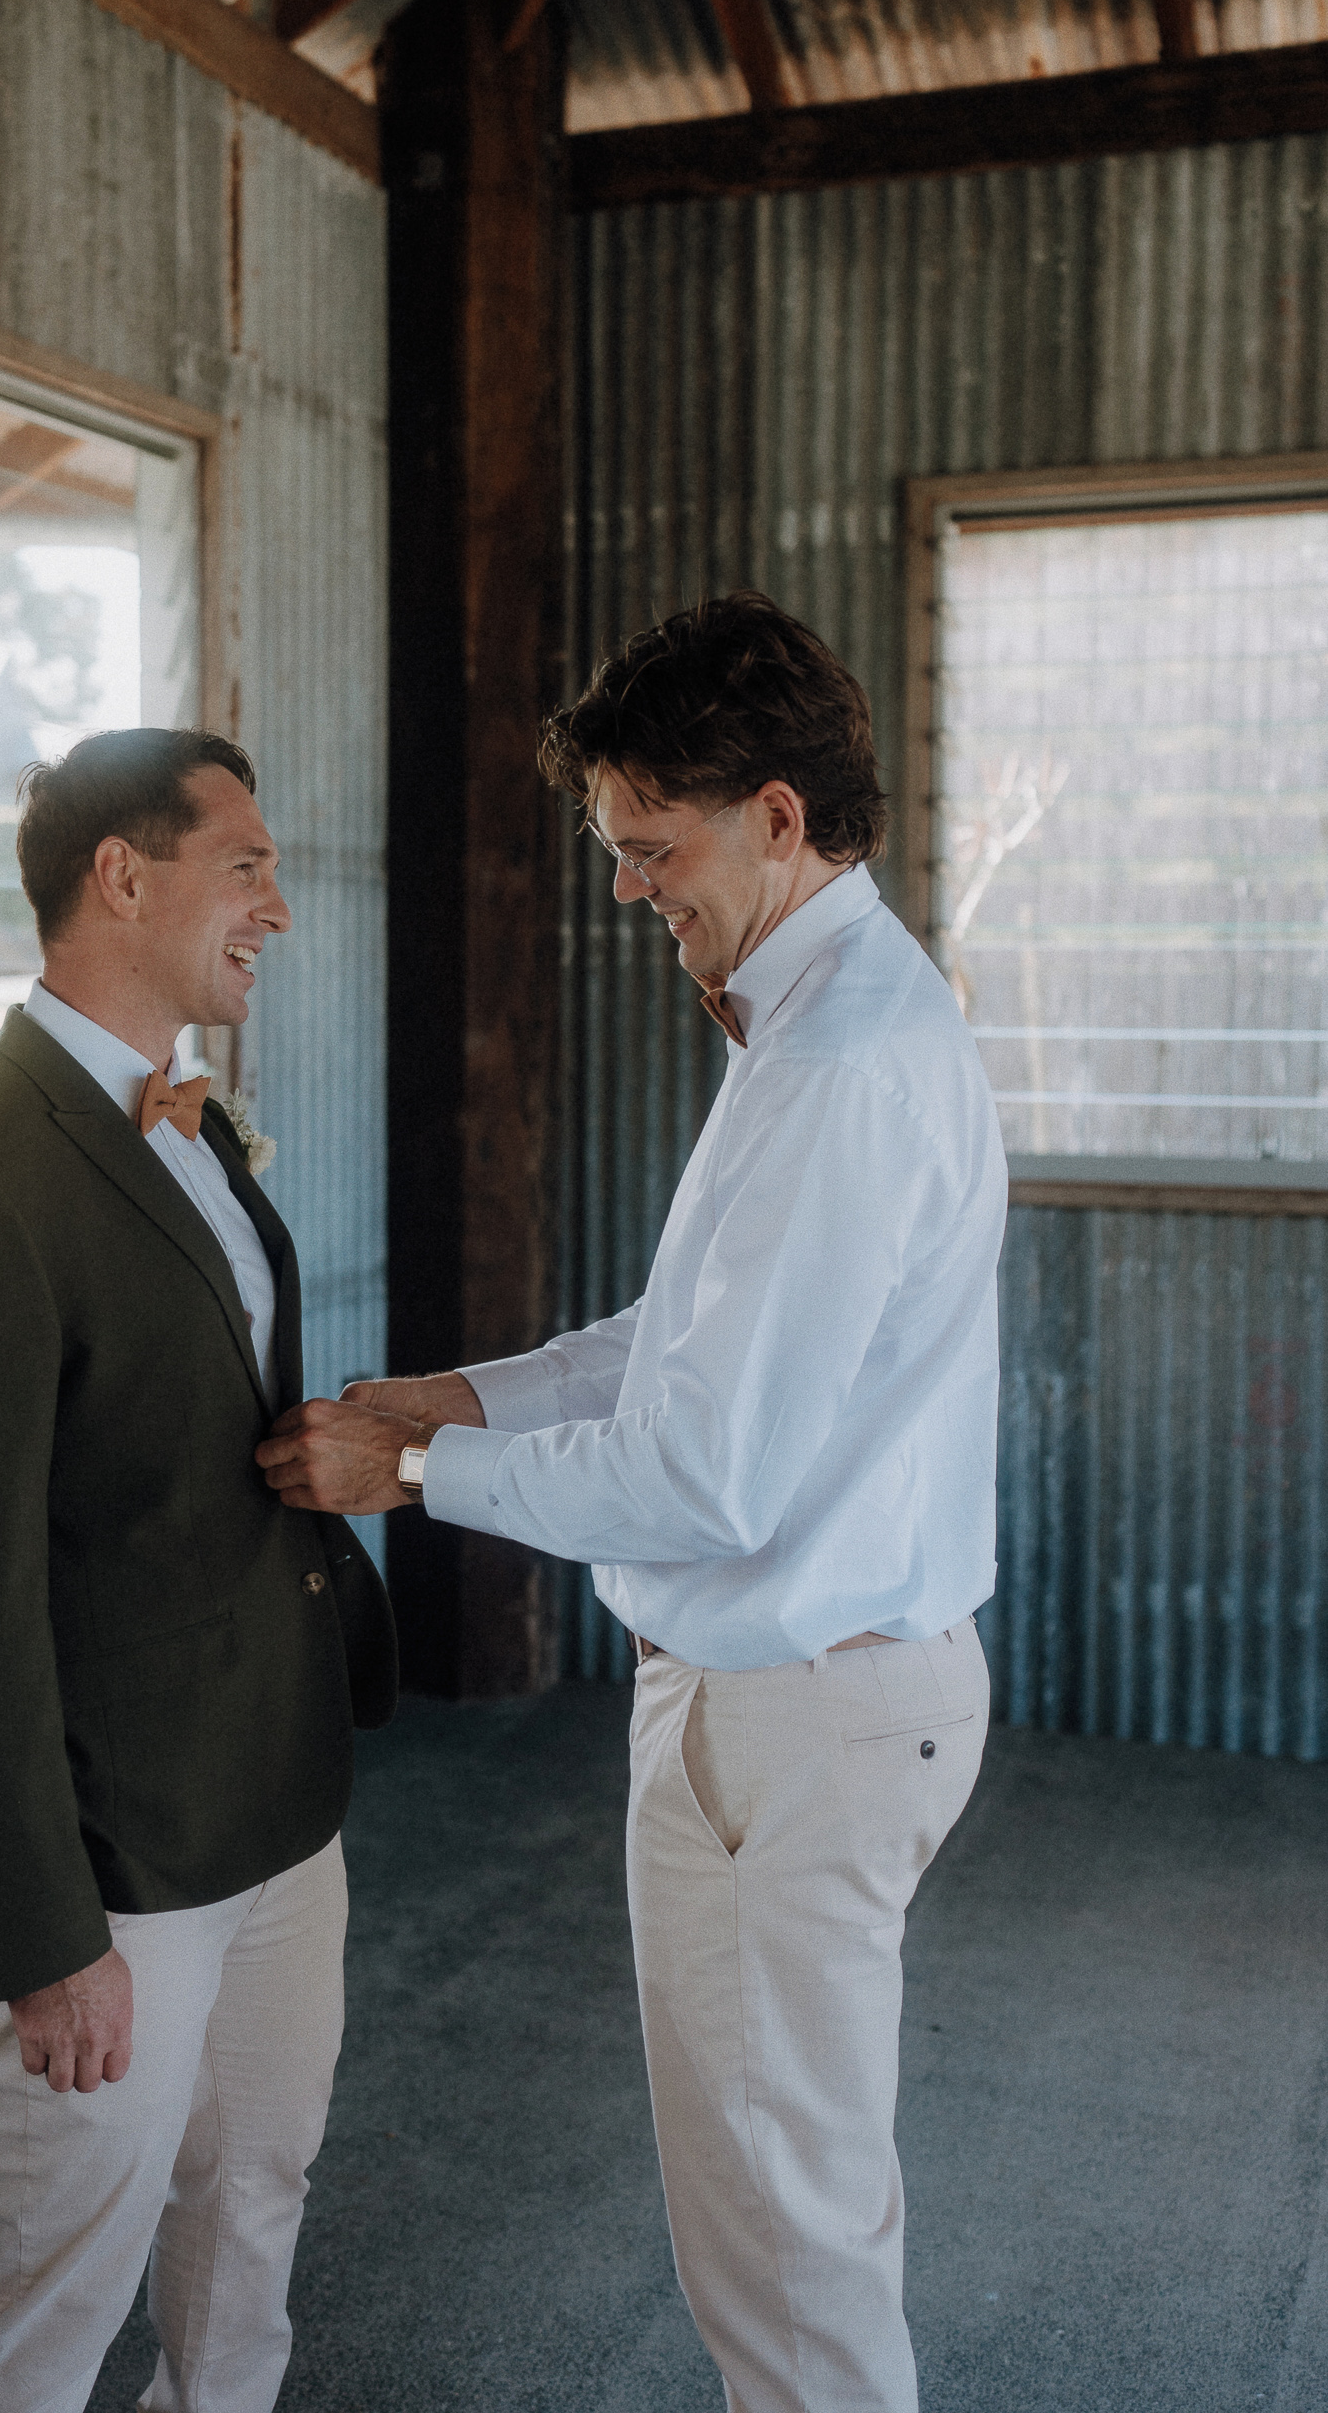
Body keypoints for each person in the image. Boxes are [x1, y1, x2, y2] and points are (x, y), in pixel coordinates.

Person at [257, 593, 1006, 2413]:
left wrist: (414, 1468)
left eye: (650, 849)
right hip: (801, 1694)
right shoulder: (817, 1010)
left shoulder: (836, 1065)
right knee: (778, 2223)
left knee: (787, 2251)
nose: (625, 890)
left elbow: (708, 1470)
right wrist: (473, 1393)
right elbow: (687, 1341)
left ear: (777, 813)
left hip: (798, 1706)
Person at [0, 726, 395, 2413]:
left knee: (252, 2217)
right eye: (249, 865)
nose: (279, 907)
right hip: (106, 1870)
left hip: (276, 1810)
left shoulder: (191, 1125)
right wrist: (42, 1933)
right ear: (123, 877)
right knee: (48, 2296)